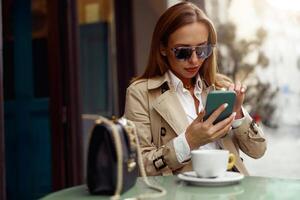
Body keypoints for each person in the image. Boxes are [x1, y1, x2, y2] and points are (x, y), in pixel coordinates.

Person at [124, 2, 266, 176]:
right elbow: (138, 166)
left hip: (231, 189)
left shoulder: (220, 86)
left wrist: (238, 115)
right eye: (183, 52)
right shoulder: (140, 94)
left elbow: (258, 150)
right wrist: (189, 141)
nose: (194, 60)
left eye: (202, 50)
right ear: (162, 48)